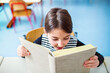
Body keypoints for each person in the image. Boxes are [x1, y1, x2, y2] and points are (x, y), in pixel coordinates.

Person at [17, 8, 104, 68]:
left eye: (66, 38)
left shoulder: (74, 41)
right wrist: (22, 51)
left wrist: (97, 61)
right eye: (55, 39)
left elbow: (99, 56)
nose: (61, 44)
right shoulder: (42, 40)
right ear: (46, 33)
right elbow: (28, 55)